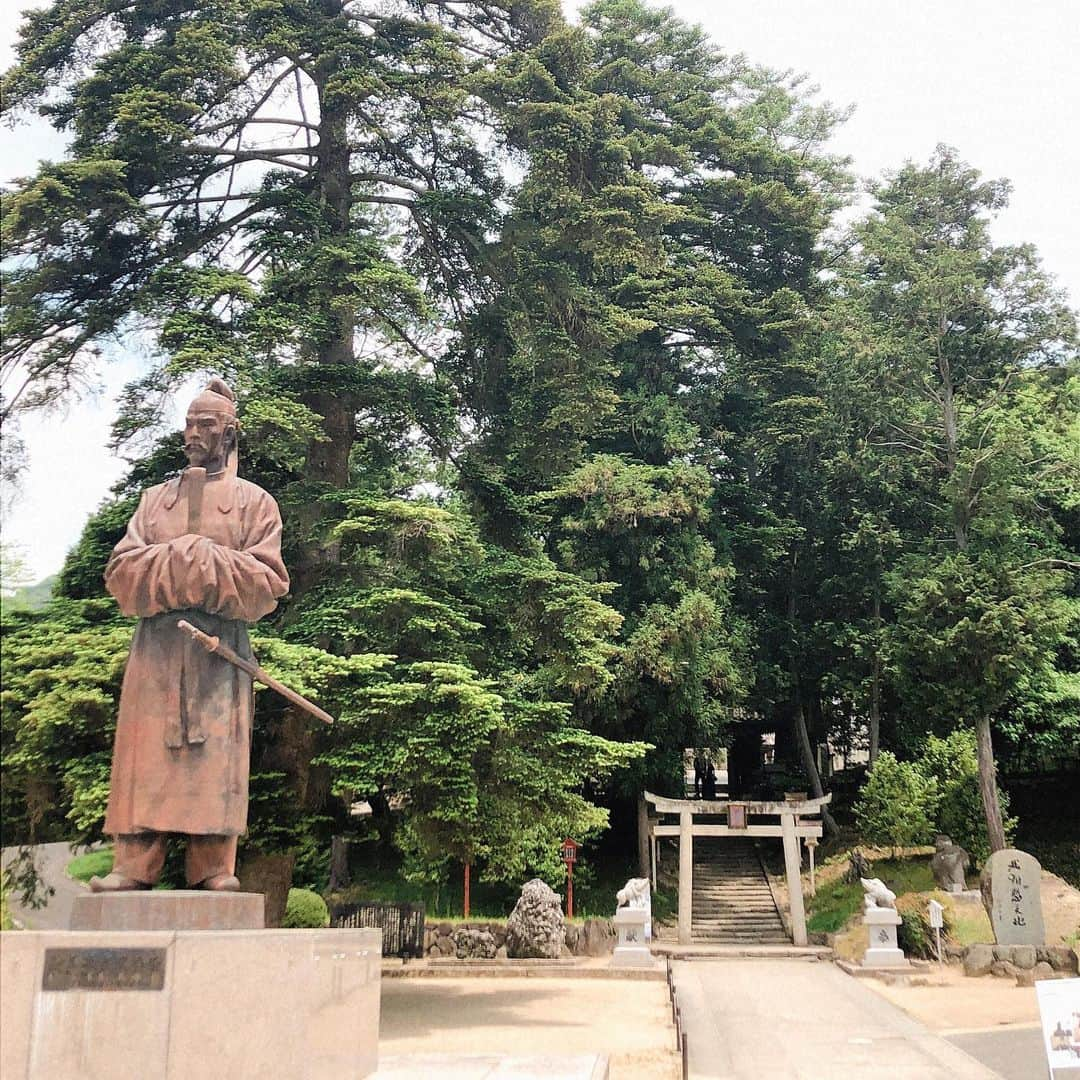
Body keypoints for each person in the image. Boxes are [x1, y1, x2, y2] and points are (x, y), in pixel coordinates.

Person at [90, 378, 289, 892]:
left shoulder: (255, 504)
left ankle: (213, 867)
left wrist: (210, 562)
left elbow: (267, 583)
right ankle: (133, 865)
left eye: (207, 424)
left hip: (219, 653)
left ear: (230, 432)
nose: (194, 434)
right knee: (144, 754)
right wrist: (178, 557)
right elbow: (122, 571)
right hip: (156, 650)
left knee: (216, 761)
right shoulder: (155, 502)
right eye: (189, 423)